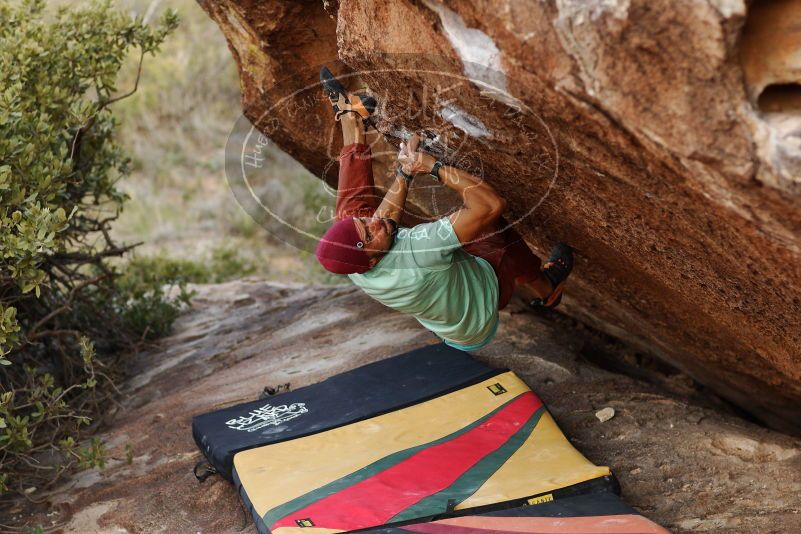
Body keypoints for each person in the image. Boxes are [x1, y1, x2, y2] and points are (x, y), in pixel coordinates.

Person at [315, 67, 573, 351]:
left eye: (366, 222)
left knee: (349, 216)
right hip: (478, 314)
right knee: (486, 223)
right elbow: (491, 205)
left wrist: (405, 173)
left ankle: (350, 117)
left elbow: (377, 223)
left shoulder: (355, 262)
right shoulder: (418, 254)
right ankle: (547, 288)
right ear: (372, 262)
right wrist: (429, 166)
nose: (373, 221)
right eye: (369, 233)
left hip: (445, 315)